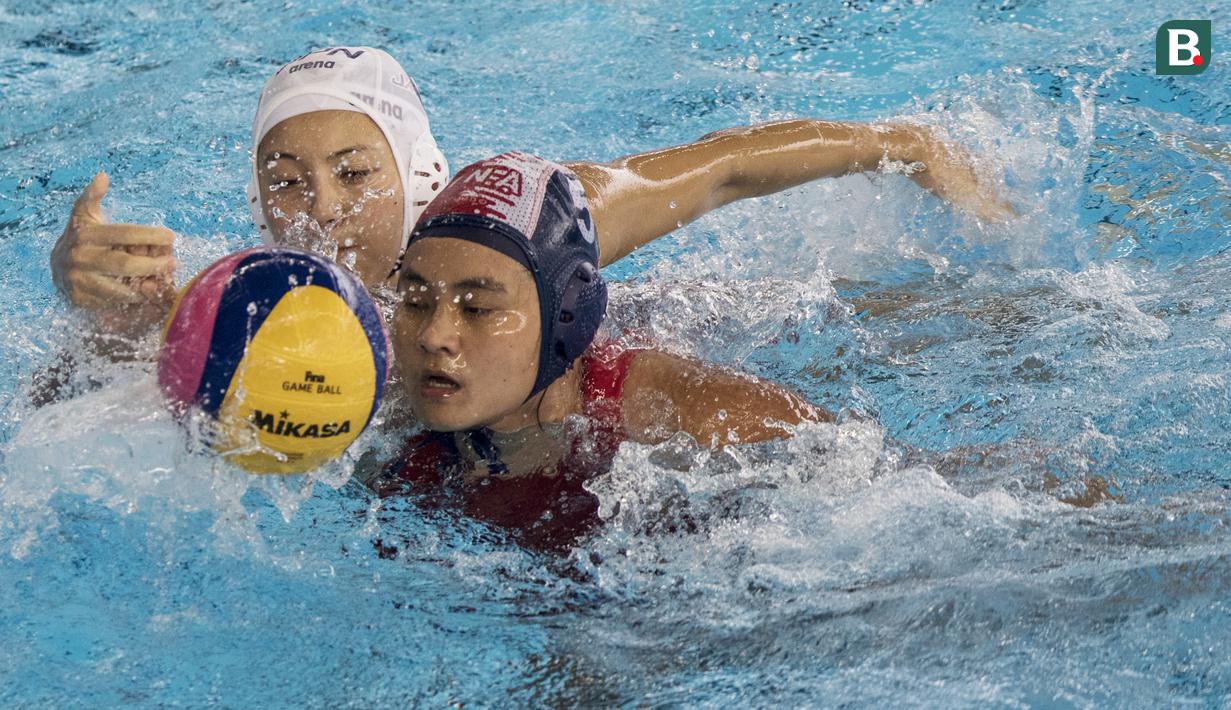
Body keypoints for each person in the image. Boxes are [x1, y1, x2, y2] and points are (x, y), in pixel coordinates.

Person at [49, 46, 1013, 336]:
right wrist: (86, 298)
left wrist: (903, 145)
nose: (323, 209)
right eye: (285, 181)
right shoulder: (245, 301)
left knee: (821, 314)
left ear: (415, 171)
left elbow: (721, 167)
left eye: (355, 172)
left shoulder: (511, 221)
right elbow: (102, 377)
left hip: (629, 331)